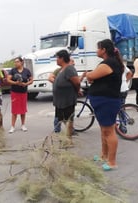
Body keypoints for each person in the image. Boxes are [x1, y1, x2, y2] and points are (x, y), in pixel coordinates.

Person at [83, 39, 123, 171]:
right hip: (103, 100)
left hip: (107, 100)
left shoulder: (108, 64)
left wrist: (88, 74)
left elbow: (92, 75)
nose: (96, 51)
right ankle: (104, 155)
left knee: (109, 131)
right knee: (104, 129)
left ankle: (112, 162)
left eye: (98, 48)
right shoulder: (109, 63)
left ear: (104, 50)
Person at [52, 51, 81, 142]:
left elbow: (77, 82)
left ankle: (69, 140)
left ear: (62, 58)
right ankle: (67, 137)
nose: (56, 60)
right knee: (63, 119)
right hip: (60, 101)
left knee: (69, 119)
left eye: (57, 58)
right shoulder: (61, 69)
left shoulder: (69, 69)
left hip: (67, 99)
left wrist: (77, 91)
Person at [6, 57, 33, 133]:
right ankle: (12, 126)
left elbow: (31, 80)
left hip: (23, 92)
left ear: (21, 62)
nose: (15, 63)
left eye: (17, 62)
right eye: (15, 62)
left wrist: (26, 84)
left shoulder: (26, 71)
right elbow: (8, 79)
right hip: (15, 92)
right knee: (14, 110)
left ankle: (23, 125)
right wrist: (15, 83)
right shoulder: (13, 70)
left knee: (23, 109)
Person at [48, 57, 75, 133]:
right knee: (59, 115)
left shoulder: (71, 70)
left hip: (68, 97)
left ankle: (70, 130)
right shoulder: (59, 70)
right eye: (72, 61)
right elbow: (50, 78)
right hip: (60, 97)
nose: (74, 63)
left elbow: (76, 82)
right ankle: (57, 129)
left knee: (68, 115)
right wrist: (58, 82)